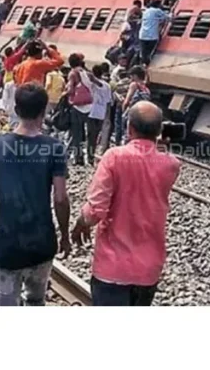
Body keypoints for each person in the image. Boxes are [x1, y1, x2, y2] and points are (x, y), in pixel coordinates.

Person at [0, 83, 71, 306]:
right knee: (36, 300)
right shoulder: (54, 148)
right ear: (44, 112)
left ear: (16, 108)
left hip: (7, 244)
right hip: (42, 243)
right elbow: (60, 199)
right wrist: (65, 236)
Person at [73, 101, 180, 306]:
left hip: (113, 267)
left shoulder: (114, 157)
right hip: (149, 269)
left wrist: (81, 223)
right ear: (159, 130)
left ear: (129, 128)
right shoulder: (171, 164)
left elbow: (96, 209)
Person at [64, 54, 96, 165]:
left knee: (77, 133)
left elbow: (71, 90)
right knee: (90, 133)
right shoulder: (87, 73)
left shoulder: (72, 73)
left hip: (78, 107)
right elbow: (98, 84)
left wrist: (65, 93)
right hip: (89, 106)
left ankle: (79, 158)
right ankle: (90, 157)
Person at [88, 63, 113, 156]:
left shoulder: (91, 85)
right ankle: (93, 152)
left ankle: (90, 154)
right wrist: (108, 116)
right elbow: (108, 101)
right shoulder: (107, 86)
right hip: (101, 113)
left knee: (91, 136)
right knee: (97, 134)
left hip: (91, 112)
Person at [138, 0, 169, 65]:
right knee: (149, 53)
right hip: (151, 37)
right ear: (158, 5)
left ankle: (140, 65)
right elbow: (167, 17)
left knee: (143, 53)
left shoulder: (146, 11)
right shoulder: (157, 11)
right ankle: (145, 65)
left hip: (142, 35)